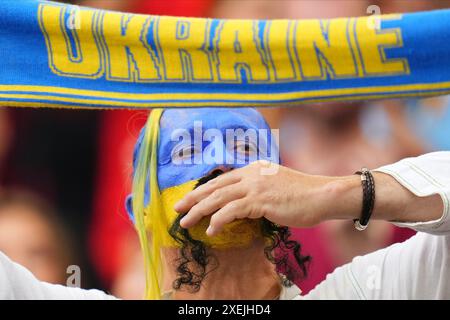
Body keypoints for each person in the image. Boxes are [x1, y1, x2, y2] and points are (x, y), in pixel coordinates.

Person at [0, 107, 449, 299]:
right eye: (186, 152)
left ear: (286, 192)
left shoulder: (367, 290)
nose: (220, 166)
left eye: (247, 152)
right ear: (138, 211)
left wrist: (334, 194)